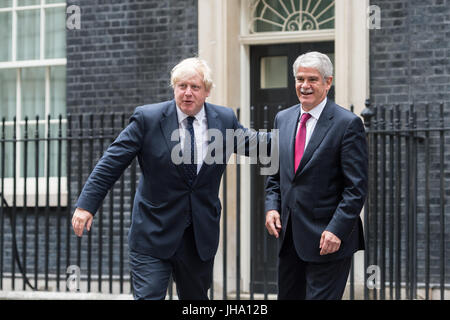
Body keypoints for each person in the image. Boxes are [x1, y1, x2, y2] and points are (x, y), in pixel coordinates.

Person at [72, 57, 268, 300]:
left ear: (207, 91)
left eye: (195, 87)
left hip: (198, 238)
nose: (187, 93)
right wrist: (85, 205)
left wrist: (301, 135)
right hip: (153, 233)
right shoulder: (149, 119)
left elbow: (261, 146)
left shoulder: (224, 120)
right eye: (181, 86)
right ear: (174, 87)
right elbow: (111, 162)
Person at [265, 51, 368, 300]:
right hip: (290, 238)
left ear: (327, 82)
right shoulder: (283, 118)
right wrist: (271, 207)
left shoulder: (347, 124)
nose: (305, 86)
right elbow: (274, 174)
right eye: (300, 79)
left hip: (328, 240)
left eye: (312, 79)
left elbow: (356, 188)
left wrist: (336, 230)